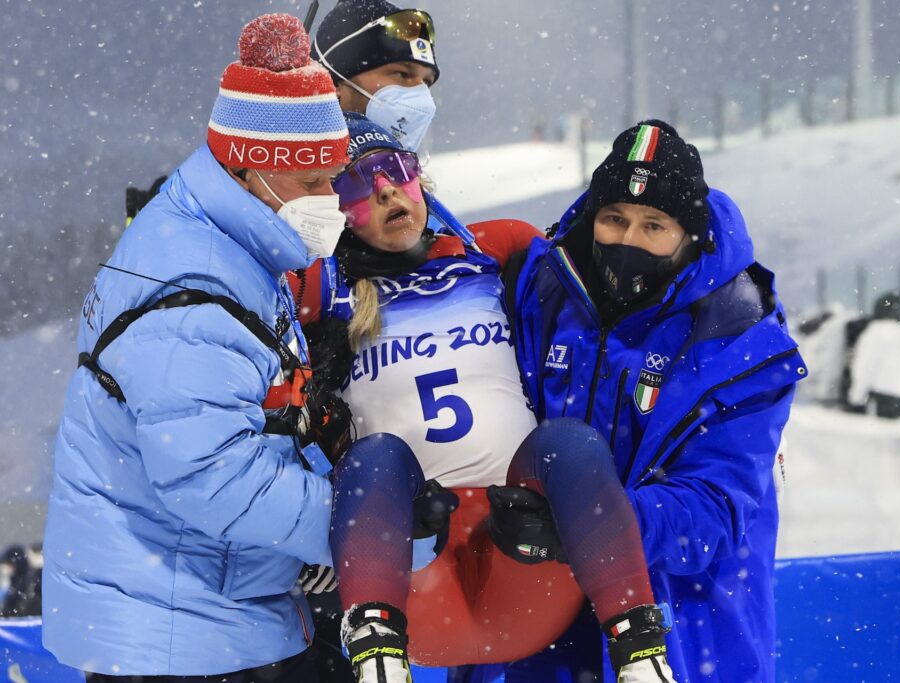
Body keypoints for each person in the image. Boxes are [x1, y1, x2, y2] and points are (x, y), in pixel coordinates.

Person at [293, 114, 680, 683]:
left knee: (569, 444)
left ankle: (643, 656)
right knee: (375, 456)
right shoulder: (322, 288)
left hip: (525, 555)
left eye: (396, 169)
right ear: (333, 209)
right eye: (356, 183)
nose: (386, 191)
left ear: (419, 178)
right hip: (409, 569)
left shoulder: (496, 247)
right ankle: (377, 661)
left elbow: (613, 267)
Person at [42, 15, 350, 681]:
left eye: (333, 178)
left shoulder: (229, 246)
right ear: (247, 171)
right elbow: (211, 476)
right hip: (178, 634)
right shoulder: (197, 284)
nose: (332, 201)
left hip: (205, 619)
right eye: (312, 183)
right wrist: (359, 525)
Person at [504, 120, 808, 682]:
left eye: (654, 225)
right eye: (614, 218)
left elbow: (715, 508)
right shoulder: (541, 293)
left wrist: (586, 525)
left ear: (690, 235)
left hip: (682, 632)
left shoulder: (739, 337)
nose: (628, 240)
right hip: (542, 627)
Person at [312, 0, 439, 151]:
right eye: (403, 74)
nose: (421, 95)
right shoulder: (293, 161)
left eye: (427, 82)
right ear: (332, 84)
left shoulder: (404, 167)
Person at [847, 290, 900, 418]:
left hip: (882, 394)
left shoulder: (875, 332)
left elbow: (865, 366)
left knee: (881, 426)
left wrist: (856, 397)